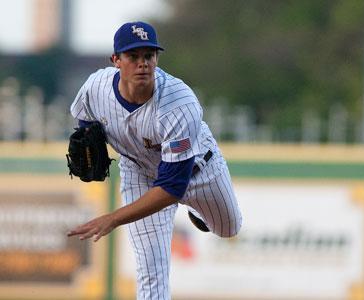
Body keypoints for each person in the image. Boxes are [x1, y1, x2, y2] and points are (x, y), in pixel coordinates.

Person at [67, 21, 242, 300]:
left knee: (229, 228)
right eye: (133, 57)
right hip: (139, 171)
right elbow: (84, 117)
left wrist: (113, 219)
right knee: (151, 273)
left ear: (157, 59)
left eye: (148, 56)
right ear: (116, 60)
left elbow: (172, 187)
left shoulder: (178, 103)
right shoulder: (96, 87)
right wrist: (86, 136)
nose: (142, 64)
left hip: (198, 171)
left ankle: (197, 210)